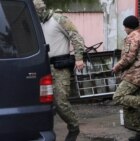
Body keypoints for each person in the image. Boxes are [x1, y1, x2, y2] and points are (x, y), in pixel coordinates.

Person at [33, 0, 86, 140]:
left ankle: (74, 127)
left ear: (41, 10)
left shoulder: (58, 19)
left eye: (36, 13)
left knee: (60, 102)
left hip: (59, 67)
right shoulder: (37, 24)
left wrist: (79, 57)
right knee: (43, 102)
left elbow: (76, 36)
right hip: (42, 66)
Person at [112, 15, 140, 141]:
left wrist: (116, 67)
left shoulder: (133, 37)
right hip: (139, 74)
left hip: (133, 75)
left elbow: (128, 58)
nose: (124, 30)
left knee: (118, 97)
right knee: (128, 106)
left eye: (125, 27)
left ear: (128, 27)